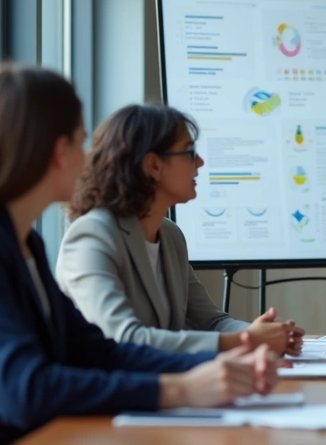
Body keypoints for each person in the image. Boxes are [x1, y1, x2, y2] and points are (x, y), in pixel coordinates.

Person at [0, 66, 279, 445]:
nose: (89, 156)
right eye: (81, 141)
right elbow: (27, 390)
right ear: (60, 152)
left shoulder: (23, 243)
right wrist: (179, 390)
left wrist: (219, 370)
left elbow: (97, 351)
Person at [57, 104, 304, 355]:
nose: (200, 162)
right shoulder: (91, 236)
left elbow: (212, 322)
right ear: (154, 165)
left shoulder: (170, 236)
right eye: (189, 152)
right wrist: (248, 340)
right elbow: (123, 339)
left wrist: (267, 333)